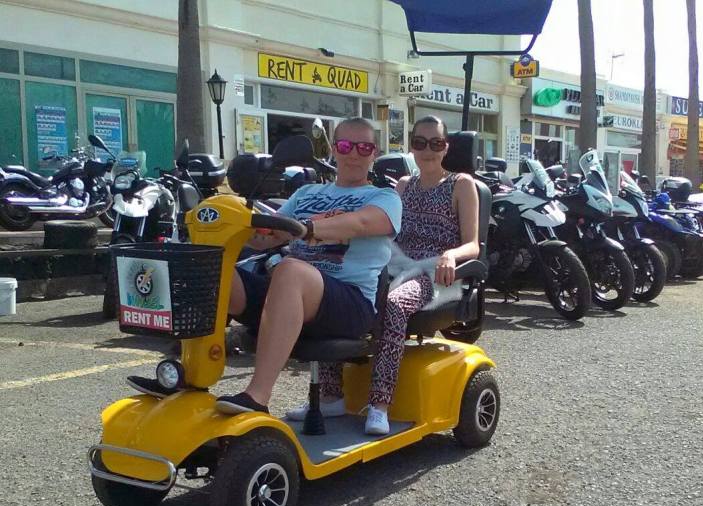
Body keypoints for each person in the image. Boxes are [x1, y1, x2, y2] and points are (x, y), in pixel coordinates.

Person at [127, 118, 402, 415]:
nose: (354, 154)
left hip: (350, 304)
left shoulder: (383, 197)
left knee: (290, 269)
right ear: (334, 149)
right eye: (346, 146)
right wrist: (237, 222)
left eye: (364, 147)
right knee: (210, 270)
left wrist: (309, 228)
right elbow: (267, 238)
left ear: (374, 153)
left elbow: (361, 223)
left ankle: (258, 396)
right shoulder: (305, 194)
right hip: (289, 295)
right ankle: (185, 377)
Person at [285, 115, 480, 435]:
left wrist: (449, 255)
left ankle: (379, 404)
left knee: (393, 304)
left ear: (446, 147)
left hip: (436, 274)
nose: (427, 150)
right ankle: (331, 394)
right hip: (395, 264)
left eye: (436, 143)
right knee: (334, 288)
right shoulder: (403, 185)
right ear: (411, 147)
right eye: (420, 143)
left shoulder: (461, 184)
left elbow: (473, 244)